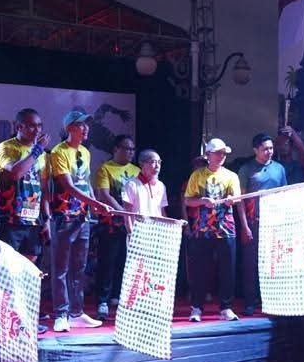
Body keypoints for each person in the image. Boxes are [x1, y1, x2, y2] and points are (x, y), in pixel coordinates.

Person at [47, 111, 109, 333]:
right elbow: (68, 186)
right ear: (70, 128)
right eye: (82, 125)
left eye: (86, 125)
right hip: (64, 216)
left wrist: (94, 206)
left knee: (79, 268)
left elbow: (86, 183)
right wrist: (95, 202)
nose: (86, 129)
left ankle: (77, 312)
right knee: (61, 269)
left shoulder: (85, 152)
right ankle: (61, 314)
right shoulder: (59, 152)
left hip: (83, 217)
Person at [0, 108, 50, 336]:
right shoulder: (6, 148)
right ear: (19, 127)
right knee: (5, 271)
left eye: (39, 125)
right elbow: (15, 173)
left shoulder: (42, 155)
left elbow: (43, 189)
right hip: (10, 218)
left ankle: (22, 319)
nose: (37, 130)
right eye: (31, 125)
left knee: (26, 273)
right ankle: (0, 321)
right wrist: (36, 151)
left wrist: (46, 219)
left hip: (33, 220)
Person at [183, 137, 247, 322]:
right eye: (218, 153)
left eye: (224, 153)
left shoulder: (231, 176)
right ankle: (196, 307)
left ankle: (226, 308)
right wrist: (202, 201)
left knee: (228, 269)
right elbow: (187, 200)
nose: (221, 156)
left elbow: (237, 199)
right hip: (203, 229)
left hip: (226, 228)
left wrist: (231, 200)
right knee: (200, 269)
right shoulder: (197, 175)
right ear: (208, 155)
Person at [238, 132, 288, 315]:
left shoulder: (279, 169)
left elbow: (284, 195)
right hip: (253, 222)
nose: (269, 152)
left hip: (274, 223)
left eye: (271, 148)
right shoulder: (246, 169)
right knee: (251, 263)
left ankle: (271, 301)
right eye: (265, 149)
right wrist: (244, 226)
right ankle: (250, 302)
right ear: (255, 150)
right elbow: (240, 200)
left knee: (273, 263)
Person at [92, 134, 139, 319]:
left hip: (132, 225)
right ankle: (102, 301)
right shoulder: (105, 168)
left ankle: (118, 297)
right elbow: (104, 195)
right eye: (127, 149)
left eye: (132, 149)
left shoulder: (137, 171)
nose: (130, 152)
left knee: (126, 262)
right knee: (107, 262)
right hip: (111, 224)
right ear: (116, 149)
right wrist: (123, 212)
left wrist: (132, 216)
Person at [121, 149, 168, 218]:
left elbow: (162, 211)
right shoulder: (132, 185)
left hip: (157, 225)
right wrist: (130, 225)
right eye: (153, 162)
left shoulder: (161, 186)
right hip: (138, 224)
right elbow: (127, 213)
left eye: (159, 162)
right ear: (141, 164)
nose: (157, 166)